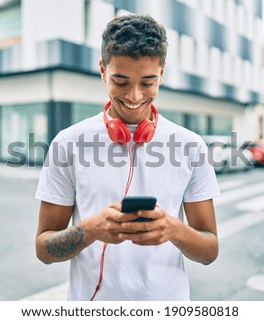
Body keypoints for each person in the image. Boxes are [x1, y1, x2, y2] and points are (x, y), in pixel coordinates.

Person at [35, 14, 220, 301]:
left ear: (162, 73)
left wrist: (174, 230)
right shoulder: (68, 143)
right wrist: (91, 230)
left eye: (148, 82)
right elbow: (44, 249)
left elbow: (209, 251)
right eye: (120, 82)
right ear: (102, 70)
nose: (134, 96)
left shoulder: (190, 146)